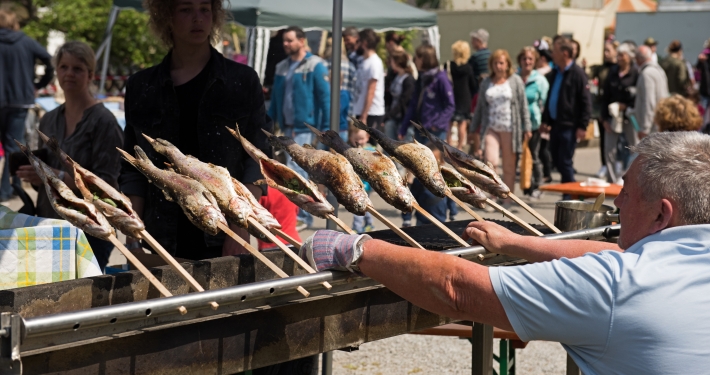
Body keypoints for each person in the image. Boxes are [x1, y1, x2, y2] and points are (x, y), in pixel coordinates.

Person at [301, 131, 710, 374]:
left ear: (661, 214)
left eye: (626, 192)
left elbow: (456, 287)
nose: (617, 203)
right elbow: (609, 258)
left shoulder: (620, 289)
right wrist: (515, 243)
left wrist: (357, 249)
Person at [119, 0, 272, 262]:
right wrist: (133, 234)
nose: (198, 18)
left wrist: (240, 226)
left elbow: (259, 160)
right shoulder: (141, 87)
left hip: (224, 230)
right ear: (167, 16)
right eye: (186, 9)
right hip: (160, 235)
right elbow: (134, 167)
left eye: (205, 9)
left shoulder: (241, 81)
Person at [16, 41, 123, 271]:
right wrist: (37, 176)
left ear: (90, 75)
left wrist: (60, 177)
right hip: (49, 225)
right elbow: (44, 178)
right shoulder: (49, 119)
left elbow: (107, 186)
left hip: (88, 230)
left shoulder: (103, 122)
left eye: (77, 69)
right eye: (63, 67)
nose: (69, 74)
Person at [268, 26, 330, 231]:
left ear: (301, 41)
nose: (285, 44)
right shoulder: (282, 66)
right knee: (289, 175)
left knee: (299, 175)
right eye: (284, 41)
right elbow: (276, 99)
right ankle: (296, 215)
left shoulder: (315, 65)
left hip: (303, 130)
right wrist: (270, 124)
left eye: (290, 40)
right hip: (285, 129)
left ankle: (303, 216)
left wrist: (325, 132)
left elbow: (325, 100)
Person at [0, 8, 54, 202]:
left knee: (10, 145)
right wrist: (39, 84)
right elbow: (49, 61)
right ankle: (11, 188)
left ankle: (9, 187)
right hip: (20, 100)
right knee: (13, 145)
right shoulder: (26, 41)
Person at [470, 49, 531, 208]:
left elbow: (523, 105)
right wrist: (473, 128)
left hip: (510, 128)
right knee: (491, 163)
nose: (498, 66)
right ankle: (493, 196)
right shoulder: (486, 82)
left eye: (501, 63)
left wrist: (527, 127)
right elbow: (480, 108)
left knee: (509, 167)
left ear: (507, 64)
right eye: (496, 63)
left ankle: (507, 198)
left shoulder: (515, 80)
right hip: (491, 128)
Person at [540, 36, 592, 189]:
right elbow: (551, 98)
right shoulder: (555, 73)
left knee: (565, 161)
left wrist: (582, 126)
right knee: (556, 160)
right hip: (556, 124)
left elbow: (586, 102)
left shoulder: (578, 74)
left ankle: (570, 194)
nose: (552, 55)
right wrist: (546, 121)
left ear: (565, 53)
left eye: (555, 51)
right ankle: (567, 190)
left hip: (570, 126)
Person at [399, 44, 455, 144]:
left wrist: (437, 124)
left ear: (423, 59)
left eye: (416, 58)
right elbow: (413, 105)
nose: (414, 61)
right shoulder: (421, 79)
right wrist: (403, 128)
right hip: (420, 129)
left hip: (435, 131)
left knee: (432, 158)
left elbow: (450, 105)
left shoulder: (441, 78)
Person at [600, 42, 638, 184]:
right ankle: (611, 180)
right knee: (609, 149)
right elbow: (606, 96)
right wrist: (604, 118)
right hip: (612, 116)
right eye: (619, 55)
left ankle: (631, 179)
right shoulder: (613, 72)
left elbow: (638, 97)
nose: (619, 58)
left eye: (622, 55)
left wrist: (626, 106)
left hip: (629, 115)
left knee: (634, 147)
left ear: (629, 57)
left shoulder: (635, 73)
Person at [517, 47, 549, 199]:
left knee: (533, 156)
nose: (527, 62)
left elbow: (544, 102)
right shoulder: (514, 77)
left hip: (533, 124)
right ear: (520, 61)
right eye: (524, 59)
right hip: (516, 125)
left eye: (530, 59)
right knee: (517, 157)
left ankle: (537, 186)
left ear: (535, 61)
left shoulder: (540, 80)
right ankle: (524, 185)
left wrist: (544, 121)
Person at [589, 41, 618, 179]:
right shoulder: (601, 68)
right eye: (604, 50)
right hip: (602, 106)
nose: (605, 53)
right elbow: (590, 76)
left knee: (618, 139)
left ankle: (616, 164)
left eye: (608, 50)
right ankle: (604, 164)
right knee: (603, 138)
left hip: (617, 108)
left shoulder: (619, 69)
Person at [352, 28, 386, 135]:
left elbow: (371, 90)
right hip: (361, 111)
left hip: (371, 113)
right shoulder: (364, 61)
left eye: (358, 42)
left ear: (364, 43)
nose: (355, 45)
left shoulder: (374, 62)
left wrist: (364, 116)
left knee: (368, 148)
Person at [323, 38, 357, 141]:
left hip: (328, 109)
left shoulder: (324, 64)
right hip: (346, 109)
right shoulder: (350, 66)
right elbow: (354, 89)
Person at [446, 41, 477, 150]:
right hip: (464, 98)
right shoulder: (468, 68)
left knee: (449, 123)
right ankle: (459, 147)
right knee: (462, 124)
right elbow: (473, 84)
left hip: (450, 97)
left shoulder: (448, 65)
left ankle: (448, 145)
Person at [634, 45, 669, 139]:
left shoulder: (647, 74)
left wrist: (645, 128)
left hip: (652, 126)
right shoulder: (659, 70)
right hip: (659, 122)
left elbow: (649, 102)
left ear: (638, 58)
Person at [383, 50, 415, 142]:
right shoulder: (396, 76)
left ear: (397, 62)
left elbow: (404, 100)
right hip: (393, 116)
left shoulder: (408, 79)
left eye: (392, 61)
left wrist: (389, 115)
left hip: (403, 118)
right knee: (389, 144)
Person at [256, 186, 301, 251]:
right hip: (294, 242)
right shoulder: (291, 190)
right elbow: (296, 211)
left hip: (269, 245)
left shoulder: (263, 190)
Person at [349, 128, 375, 233]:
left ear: (367, 138)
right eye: (356, 139)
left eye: (362, 139)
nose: (359, 142)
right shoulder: (350, 151)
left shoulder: (371, 151)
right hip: (356, 184)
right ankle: (369, 223)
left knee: (359, 205)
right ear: (351, 138)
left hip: (366, 184)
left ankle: (356, 227)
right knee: (365, 204)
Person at [468, 29, 491, 94]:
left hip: (478, 92)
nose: (471, 42)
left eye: (473, 40)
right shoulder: (491, 55)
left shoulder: (475, 57)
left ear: (479, 41)